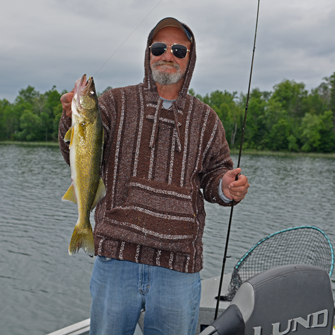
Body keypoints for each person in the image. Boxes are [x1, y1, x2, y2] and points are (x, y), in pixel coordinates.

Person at [59, 17, 249, 335]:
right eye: (159, 47)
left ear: (190, 58)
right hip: (116, 259)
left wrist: (227, 187)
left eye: (178, 49)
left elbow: (214, 176)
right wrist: (69, 120)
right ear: (148, 54)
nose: (167, 55)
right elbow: (77, 156)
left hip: (178, 269)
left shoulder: (206, 119)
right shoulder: (113, 103)